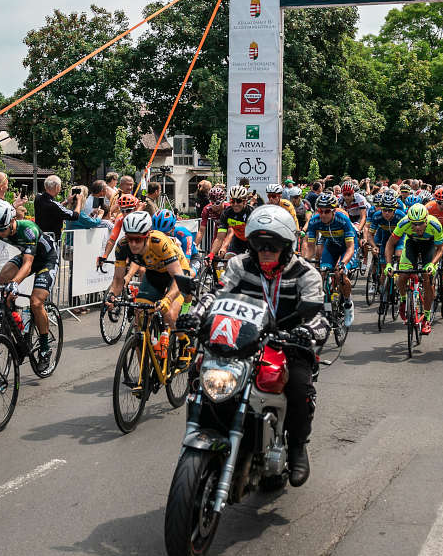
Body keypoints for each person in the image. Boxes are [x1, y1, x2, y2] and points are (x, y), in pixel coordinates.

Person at [178, 205, 328, 486]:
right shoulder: (239, 265)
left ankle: (297, 447)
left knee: (299, 386)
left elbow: (320, 317)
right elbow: (218, 296)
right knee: (199, 371)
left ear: (287, 246)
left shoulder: (306, 273)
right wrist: (193, 317)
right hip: (239, 341)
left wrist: (306, 333)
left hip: (285, 344)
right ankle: (203, 426)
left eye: (273, 244)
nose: (265, 250)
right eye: (259, 243)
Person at [107, 211, 191, 357]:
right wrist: (112, 295)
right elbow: (118, 279)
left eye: (138, 239)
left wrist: (168, 299)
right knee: (140, 317)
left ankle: (184, 342)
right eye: (130, 238)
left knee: (170, 314)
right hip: (154, 274)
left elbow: (177, 277)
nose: (133, 243)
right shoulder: (122, 245)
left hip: (177, 273)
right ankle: (144, 375)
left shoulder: (159, 243)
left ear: (147, 236)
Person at [0, 199, 59, 362]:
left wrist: (15, 284)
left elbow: (27, 264)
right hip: (29, 255)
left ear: (12, 221)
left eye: (2, 229)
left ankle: (44, 347)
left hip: (47, 259)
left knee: (35, 302)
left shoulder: (28, 229)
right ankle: (16, 321)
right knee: (4, 277)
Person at [383, 203, 443, 334]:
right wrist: (388, 264)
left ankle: (426, 318)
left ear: (426, 220)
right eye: (414, 224)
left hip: (430, 246)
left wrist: (432, 264)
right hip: (412, 244)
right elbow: (390, 244)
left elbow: (440, 249)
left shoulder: (435, 225)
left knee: (427, 279)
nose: (417, 227)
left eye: (420, 223)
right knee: (403, 275)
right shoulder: (403, 223)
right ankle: (404, 300)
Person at [304, 192, 358, 327]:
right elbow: (311, 247)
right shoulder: (314, 221)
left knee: (341, 274)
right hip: (331, 246)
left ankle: (347, 304)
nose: (322, 214)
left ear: (333, 211)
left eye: (327, 211)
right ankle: (327, 305)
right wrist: (305, 261)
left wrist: (343, 263)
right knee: (323, 272)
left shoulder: (342, 220)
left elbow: (350, 247)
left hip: (347, 247)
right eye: (320, 211)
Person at [34, 175, 84, 245]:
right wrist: (79, 201)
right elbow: (75, 216)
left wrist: (67, 201)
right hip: (52, 242)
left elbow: (54, 209)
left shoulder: (38, 198)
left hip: (40, 238)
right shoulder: (54, 205)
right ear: (57, 187)